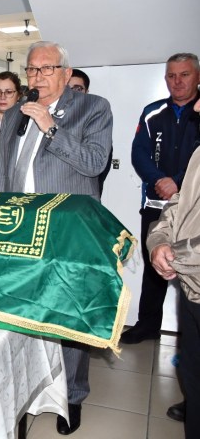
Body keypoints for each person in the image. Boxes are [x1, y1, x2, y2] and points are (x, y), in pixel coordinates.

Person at [0, 41, 113, 435]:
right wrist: (2, 218)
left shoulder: (93, 108)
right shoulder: (15, 112)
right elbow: (4, 171)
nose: (38, 76)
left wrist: (50, 126)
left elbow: (94, 163)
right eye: (32, 69)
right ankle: (25, 388)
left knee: (68, 314)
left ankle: (73, 396)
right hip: (22, 228)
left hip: (67, 231)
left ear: (65, 72)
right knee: (24, 311)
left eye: (47, 69)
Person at [122, 53, 200, 345]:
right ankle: (148, 325)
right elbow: (139, 153)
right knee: (155, 266)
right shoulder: (152, 112)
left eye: (184, 74)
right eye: (171, 75)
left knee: (192, 268)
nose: (177, 81)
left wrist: (177, 182)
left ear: (197, 77)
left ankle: (189, 333)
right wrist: (158, 180)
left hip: (193, 211)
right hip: (155, 206)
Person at [146, 97, 200, 438]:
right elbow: (178, 206)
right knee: (193, 380)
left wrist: (172, 255)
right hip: (192, 289)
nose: (196, 108)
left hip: (190, 270)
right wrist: (158, 242)